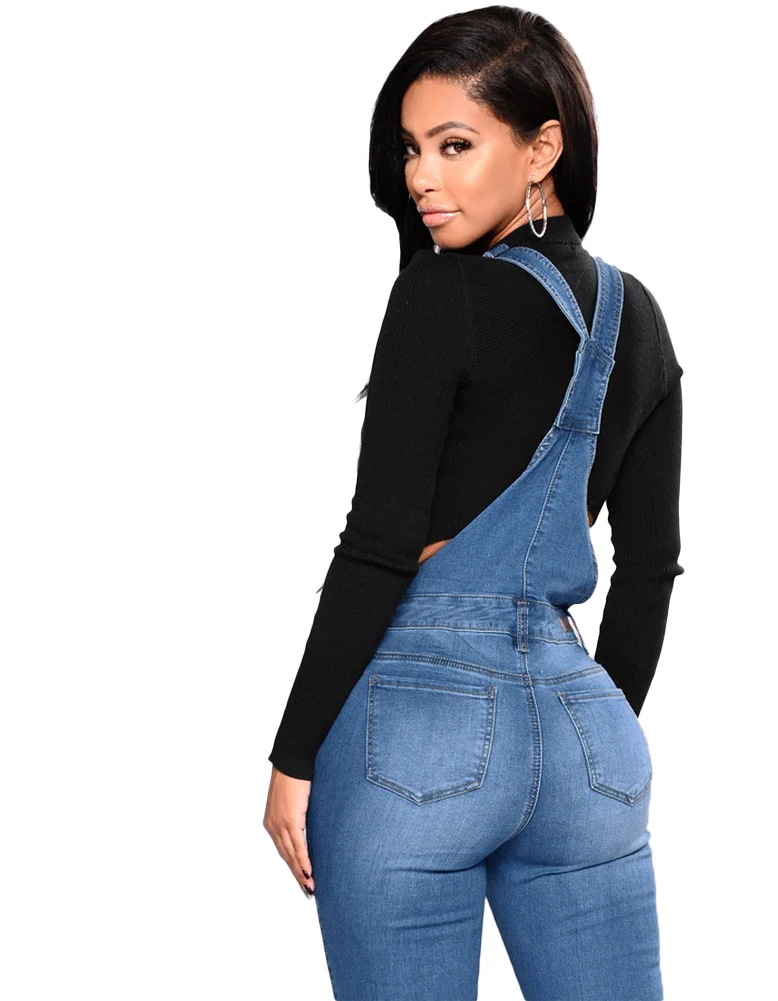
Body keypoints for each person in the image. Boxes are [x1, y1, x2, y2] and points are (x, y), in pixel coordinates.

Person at [263, 7, 683, 999]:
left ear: (542, 149)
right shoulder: (640, 315)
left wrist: (291, 753)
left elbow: (377, 545)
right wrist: (591, 730)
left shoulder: (438, 295)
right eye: (411, 148)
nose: (420, 177)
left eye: (454, 145)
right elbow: (649, 565)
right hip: (584, 736)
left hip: (418, 729)